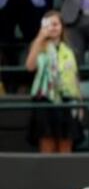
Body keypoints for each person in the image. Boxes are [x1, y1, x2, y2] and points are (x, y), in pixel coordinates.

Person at [25, 12, 81, 153]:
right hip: (45, 100)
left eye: (56, 24)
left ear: (62, 27)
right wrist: (40, 38)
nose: (53, 28)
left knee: (65, 146)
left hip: (67, 100)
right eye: (49, 24)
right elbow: (30, 66)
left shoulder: (68, 50)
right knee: (47, 144)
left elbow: (74, 77)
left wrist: (79, 102)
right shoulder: (38, 46)